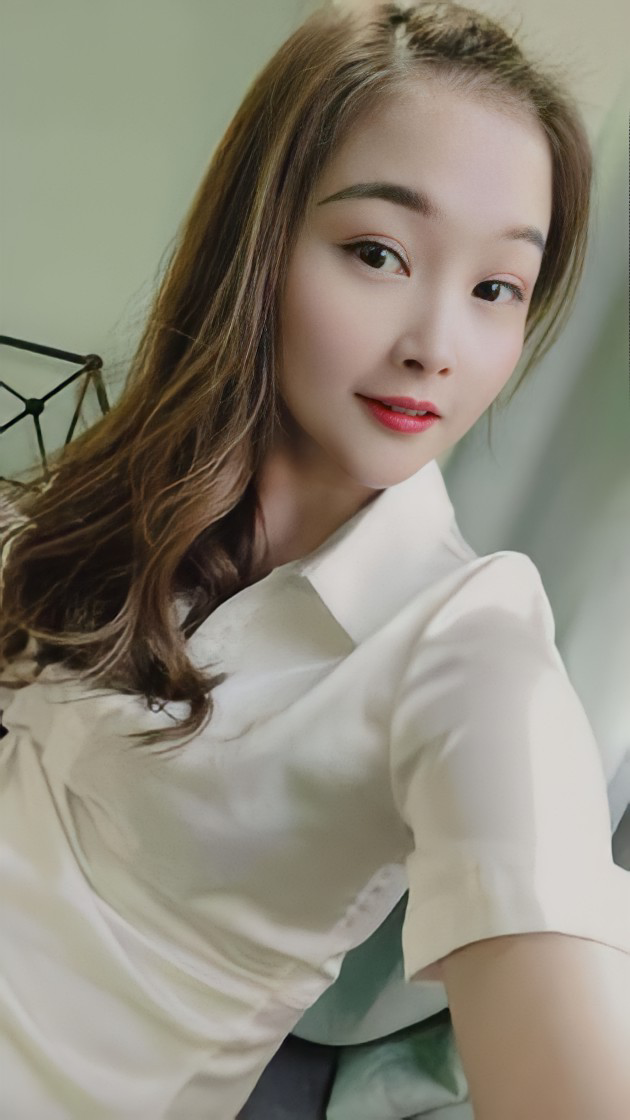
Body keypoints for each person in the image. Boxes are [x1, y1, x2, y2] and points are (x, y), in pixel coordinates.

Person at [1, 2, 629, 1118]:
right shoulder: (108, 498)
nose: (437, 345)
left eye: (495, 288)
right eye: (380, 253)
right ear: (259, 243)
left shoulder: (466, 646)